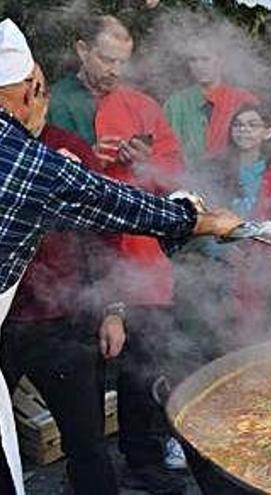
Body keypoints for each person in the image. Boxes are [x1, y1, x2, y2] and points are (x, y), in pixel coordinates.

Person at [0, 18, 241, 494]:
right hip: (18, 319)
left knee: (89, 439)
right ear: (31, 88)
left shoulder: (132, 111)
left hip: (67, 313)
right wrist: (200, 220)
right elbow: (106, 201)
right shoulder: (20, 155)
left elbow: (125, 195)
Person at [47, 14, 193, 486]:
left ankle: (143, 457)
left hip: (140, 251)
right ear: (81, 49)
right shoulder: (53, 101)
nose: (115, 70)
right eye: (107, 59)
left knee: (144, 364)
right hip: (79, 256)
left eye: (122, 62)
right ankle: (87, 469)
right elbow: (45, 168)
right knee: (83, 373)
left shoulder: (142, 104)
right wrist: (97, 159)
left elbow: (172, 165)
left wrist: (146, 160)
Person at [2, 122, 121, 494]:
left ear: (39, 94)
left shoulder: (67, 147)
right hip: (4, 323)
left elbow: (107, 229)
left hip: (67, 321)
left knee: (86, 443)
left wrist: (113, 310)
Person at [178, 104, 271, 355]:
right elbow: (197, 218)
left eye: (253, 125)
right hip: (210, 273)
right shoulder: (213, 170)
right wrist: (218, 250)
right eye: (239, 125)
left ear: (268, 132)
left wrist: (261, 262)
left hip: (252, 279)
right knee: (206, 343)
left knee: (245, 345)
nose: (244, 131)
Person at [163, 38, 258, 169]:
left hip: (235, 180)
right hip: (187, 180)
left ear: (221, 61)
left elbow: (256, 149)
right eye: (193, 60)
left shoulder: (243, 99)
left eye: (205, 59)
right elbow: (165, 149)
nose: (199, 66)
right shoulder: (175, 103)